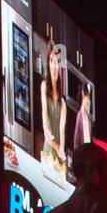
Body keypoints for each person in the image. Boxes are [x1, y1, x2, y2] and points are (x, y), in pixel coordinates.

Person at [40, 41, 67, 179]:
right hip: (48, 149)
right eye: (51, 61)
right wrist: (47, 133)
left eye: (56, 62)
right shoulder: (44, 86)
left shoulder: (62, 102)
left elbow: (62, 129)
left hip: (59, 154)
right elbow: (44, 114)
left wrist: (61, 148)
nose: (54, 66)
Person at [72, 83, 93, 151]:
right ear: (83, 95)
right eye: (88, 98)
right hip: (82, 155)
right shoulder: (79, 117)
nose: (89, 102)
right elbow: (76, 143)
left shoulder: (89, 119)